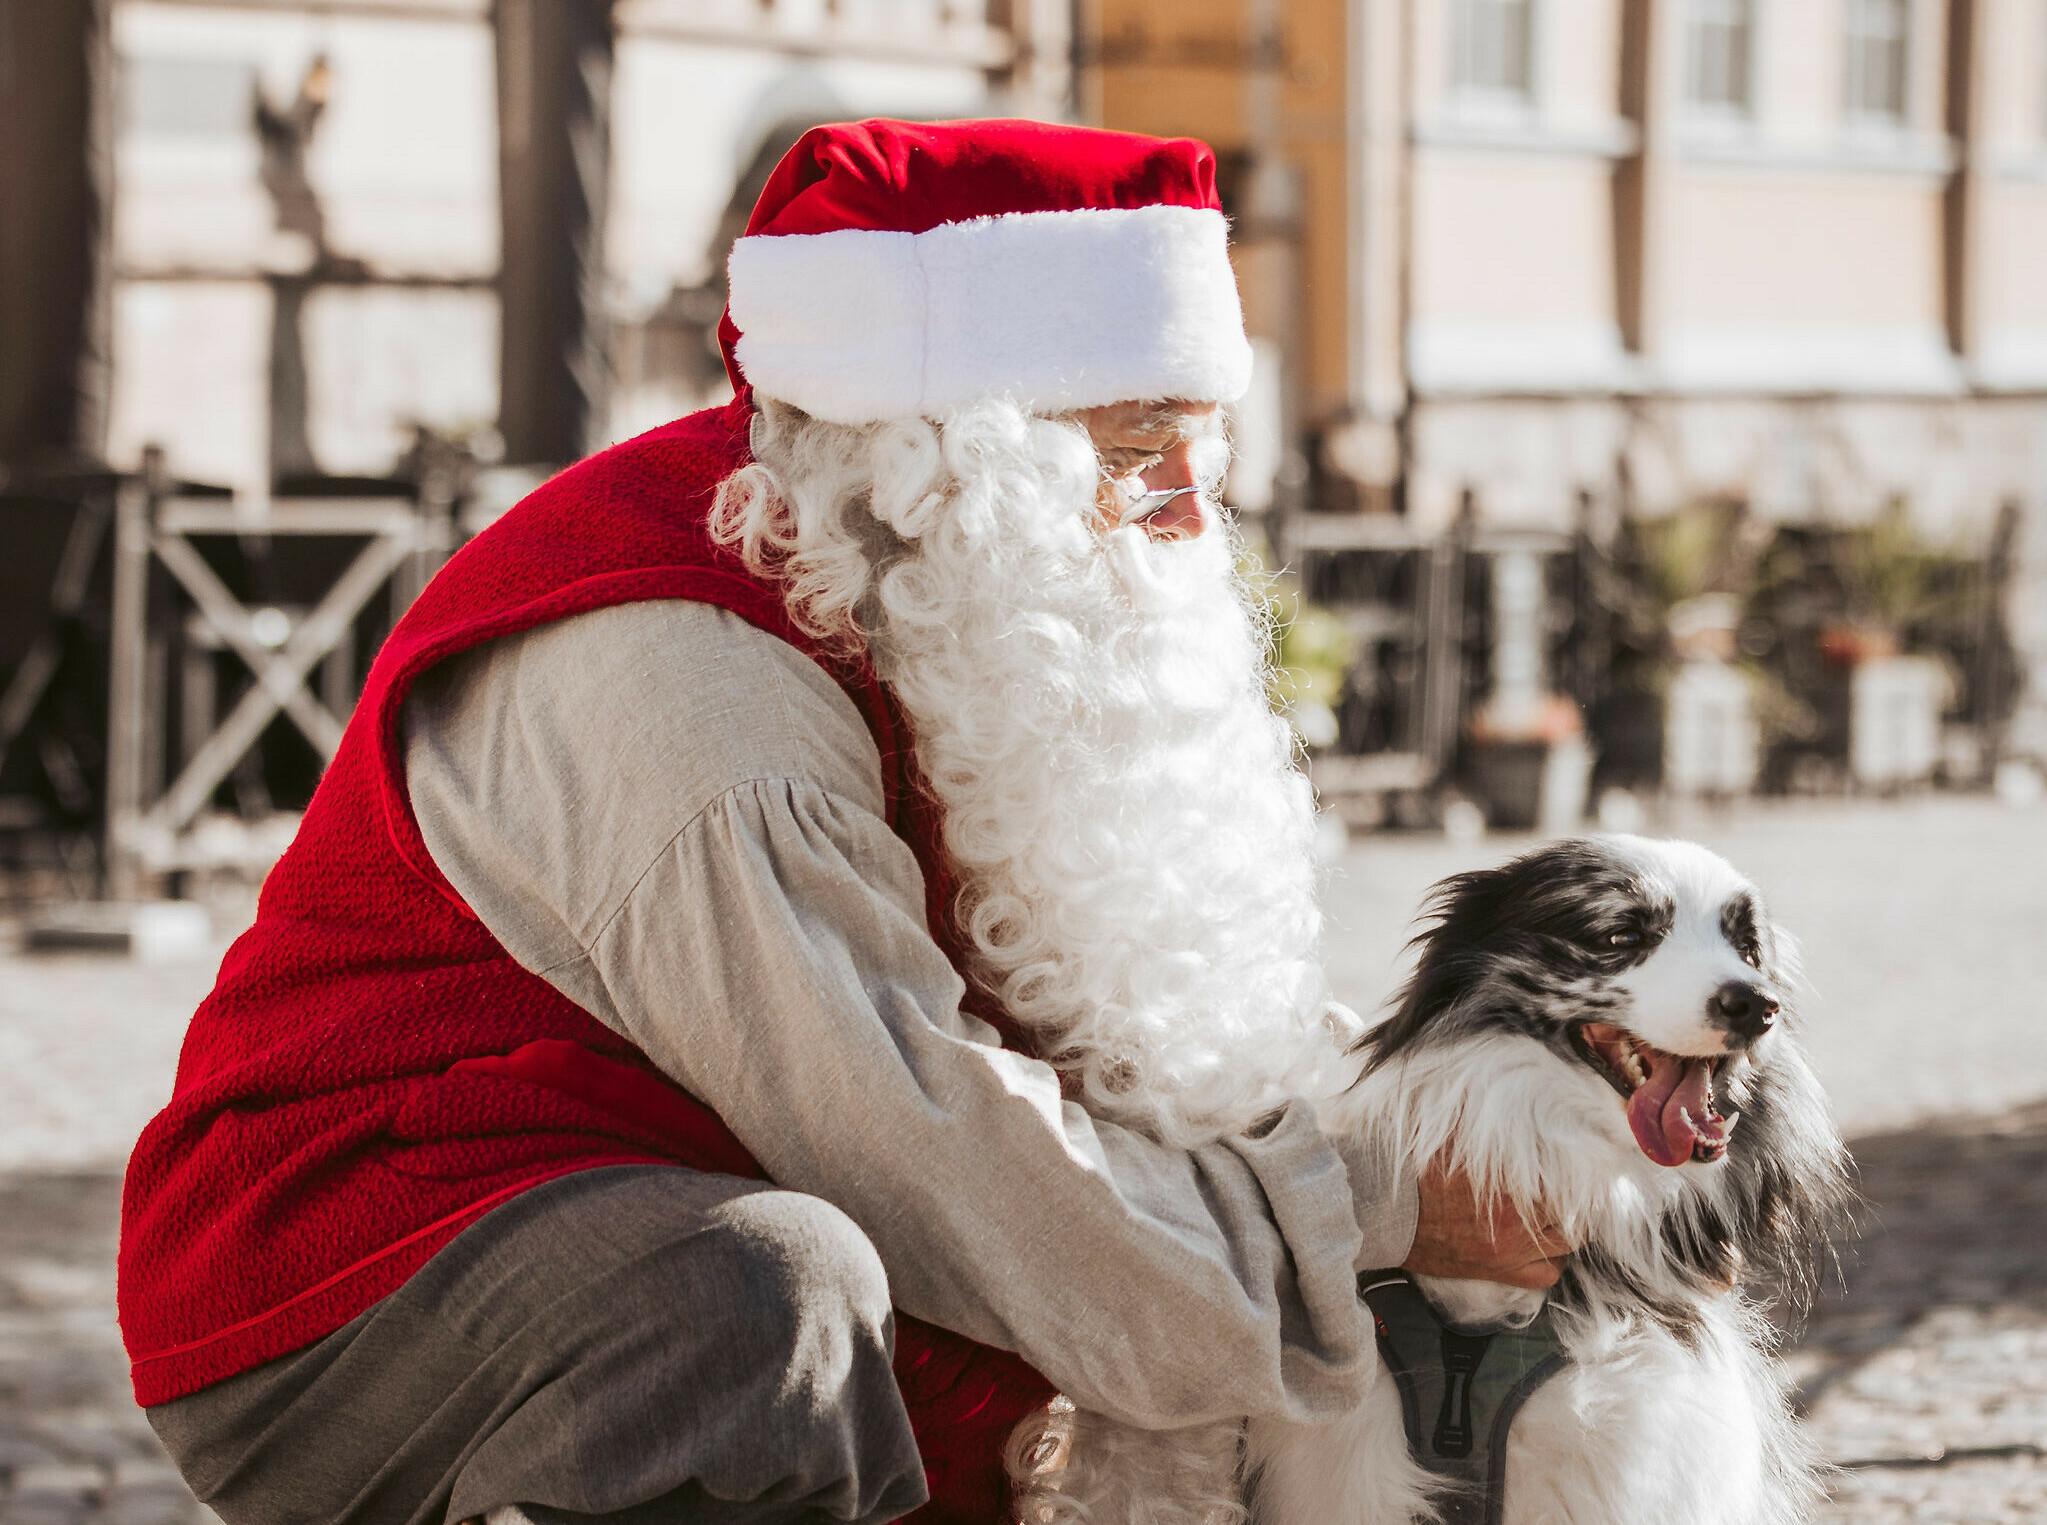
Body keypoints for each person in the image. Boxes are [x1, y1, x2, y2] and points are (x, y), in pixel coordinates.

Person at [118, 119, 1569, 1525]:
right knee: (762, 1298)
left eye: (1205, 447)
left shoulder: (940, 595)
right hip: (349, 1269)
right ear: (957, 452)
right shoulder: (691, 680)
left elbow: (1153, 1026)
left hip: (648, 1199)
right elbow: (923, 1147)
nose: (1198, 512)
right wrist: (1361, 1208)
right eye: (1140, 450)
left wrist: (1436, 1132)